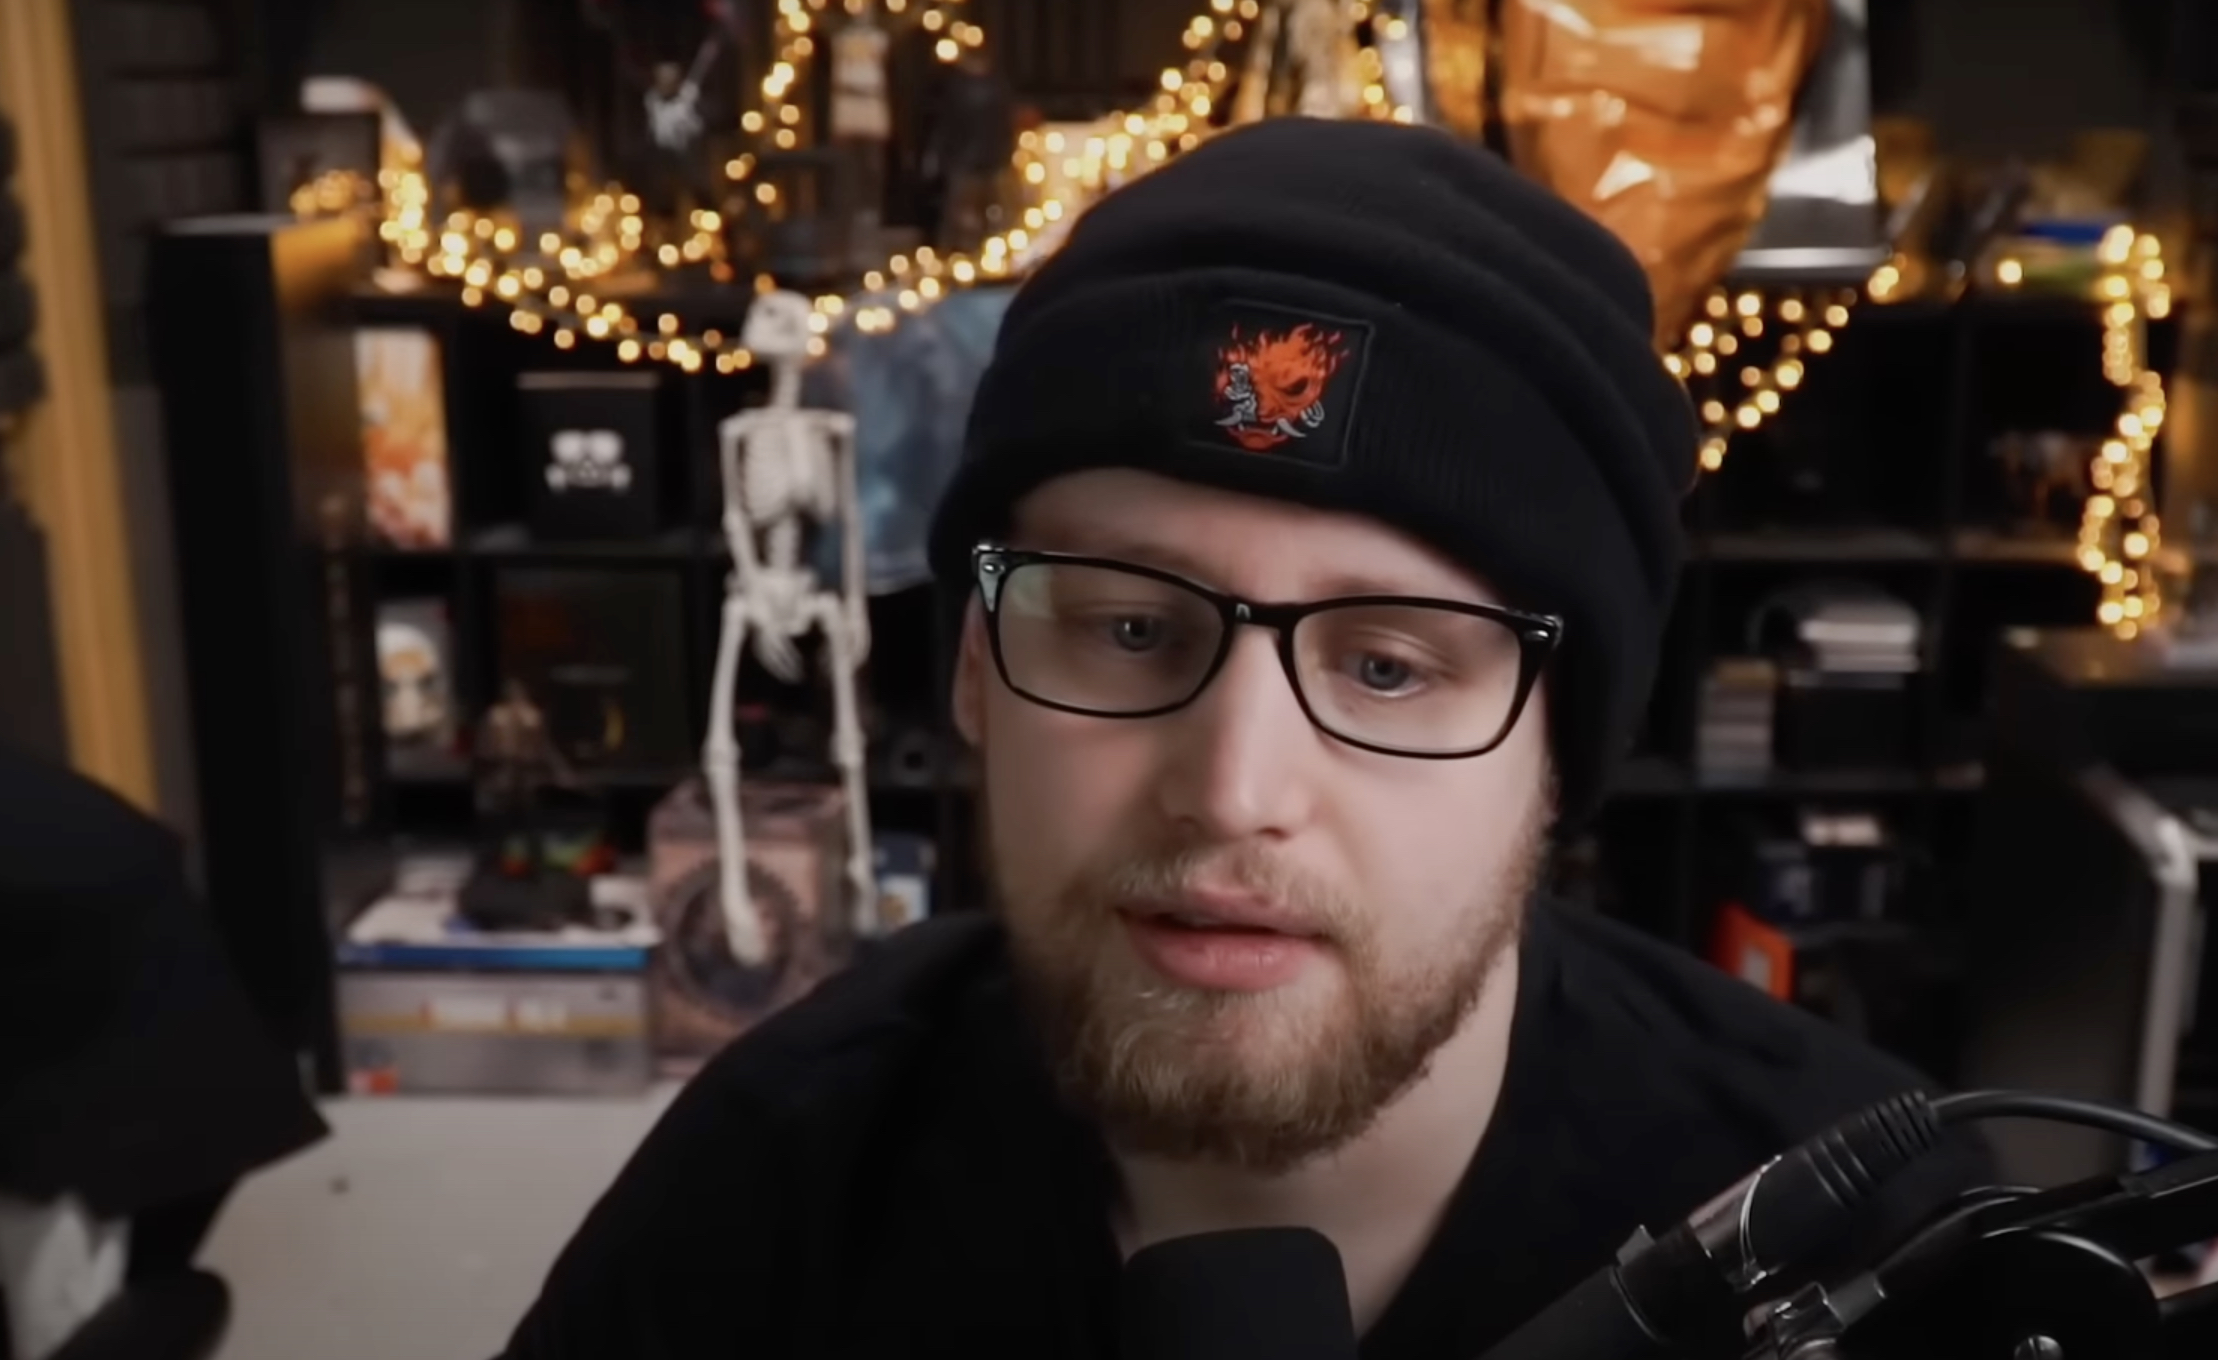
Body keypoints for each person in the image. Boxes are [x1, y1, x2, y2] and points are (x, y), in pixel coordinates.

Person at [499, 116, 1989, 1360]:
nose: (1234, 792)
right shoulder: (762, 1198)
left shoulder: (1880, 1237)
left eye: (1391, 667)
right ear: (973, 665)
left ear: (1559, 745)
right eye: (1133, 631)